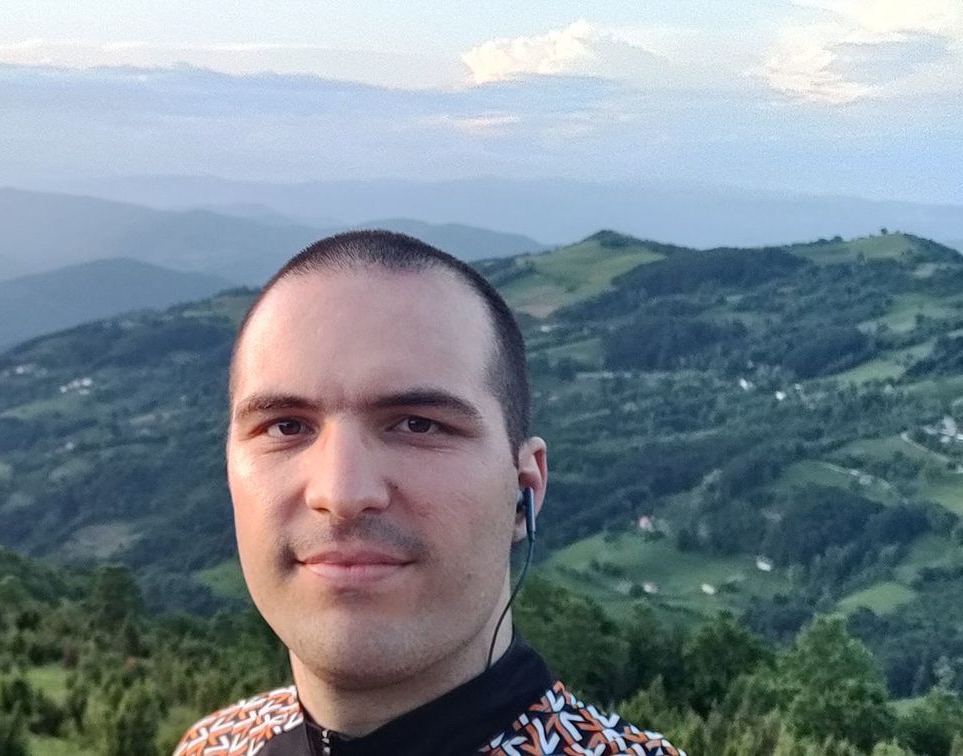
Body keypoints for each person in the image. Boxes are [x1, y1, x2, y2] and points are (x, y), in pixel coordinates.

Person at [174, 231, 683, 755]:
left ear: (524, 490)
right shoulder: (214, 744)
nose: (341, 492)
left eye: (418, 424)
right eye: (285, 426)